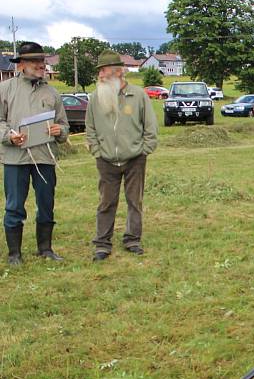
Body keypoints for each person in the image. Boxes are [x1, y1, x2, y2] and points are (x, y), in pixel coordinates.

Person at [0, 42, 70, 265]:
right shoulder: (5, 88)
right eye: (35, 61)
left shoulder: (52, 92)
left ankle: (45, 249)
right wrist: (9, 136)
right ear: (21, 64)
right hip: (15, 158)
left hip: (45, 157)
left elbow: (63, 125)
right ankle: (14, 255)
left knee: (46, 203)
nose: (41, 65)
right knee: (14, 206)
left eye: (43, 61)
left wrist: (60, 131)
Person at [85, 50, 157, 261]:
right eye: (99, 72)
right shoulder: (95, 98)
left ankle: (132, 239)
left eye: (103, 71)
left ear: (118, 73)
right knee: (106, 202)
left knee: (135, 201)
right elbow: (90, 129)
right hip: (106, 160)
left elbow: (150, 126)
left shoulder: (138, 95)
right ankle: (102, 243)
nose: (100, 76)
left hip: (135, 159)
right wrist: (97, 151)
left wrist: (145, 149)